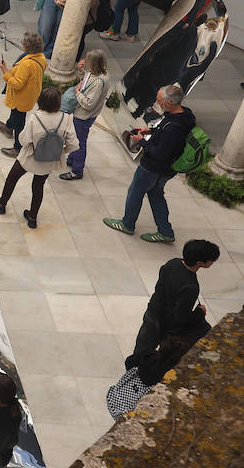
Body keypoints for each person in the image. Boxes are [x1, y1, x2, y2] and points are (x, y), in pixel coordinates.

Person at [103, 83, 195, 243]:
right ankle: (166, 232)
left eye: (159, 101)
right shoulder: (185, 115)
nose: (156, 103)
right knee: (156, 195)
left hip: (153, 168)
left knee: (135, 193)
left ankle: (127, 224)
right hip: (167, 169)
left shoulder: (174, 127)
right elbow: (166, 134)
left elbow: (160, 153)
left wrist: (142, 142)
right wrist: (151, 131)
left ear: (168, 104)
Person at [0, 87, 77, 229]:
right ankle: (32, 217)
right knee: (38, 187)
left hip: (29, 158)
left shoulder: (35, 118)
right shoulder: (66, 119)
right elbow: (74, 145)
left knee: (12, 177)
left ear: (40, 101)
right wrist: (60, 151)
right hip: (49, 161)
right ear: (58, 103)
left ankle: (1, 204)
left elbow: (23, 140)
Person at [126, 239, 219, 361]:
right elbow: (181, 318)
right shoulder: (190, 286)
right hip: (167, 323)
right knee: (166, 354)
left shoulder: (173, 263)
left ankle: (133, 369)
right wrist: (200, 312)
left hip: (154, 310)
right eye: (211, 260)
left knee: (143, 346)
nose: (212, 262)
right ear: (200, 262)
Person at [105, 334, 197, 420]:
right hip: (127, 413)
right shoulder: (167, 379)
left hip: (114, 398)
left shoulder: (149, 355)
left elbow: (129, 361)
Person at [59, 50, 109, 181]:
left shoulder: (99, 82)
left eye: (88, 61)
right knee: (76, 139)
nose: (85, 62)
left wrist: (77, 93)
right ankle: (72, 159)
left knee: (80, 143)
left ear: (94, 64)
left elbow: (89, 103)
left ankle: (77, 171)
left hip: (84, 116)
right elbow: (87, 81)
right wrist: (81, 72)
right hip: (82, 114)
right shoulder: (97, 73)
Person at [0, 31, 46, 155]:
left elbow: (17, 84)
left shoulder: (27, 64)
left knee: (19, 123)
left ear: (27, 46)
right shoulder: (41, 57)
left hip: (21, 97)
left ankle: (17, 149)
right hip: (29, 95)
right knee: (15, 113)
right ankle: (8, 127)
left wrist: (6, 73)